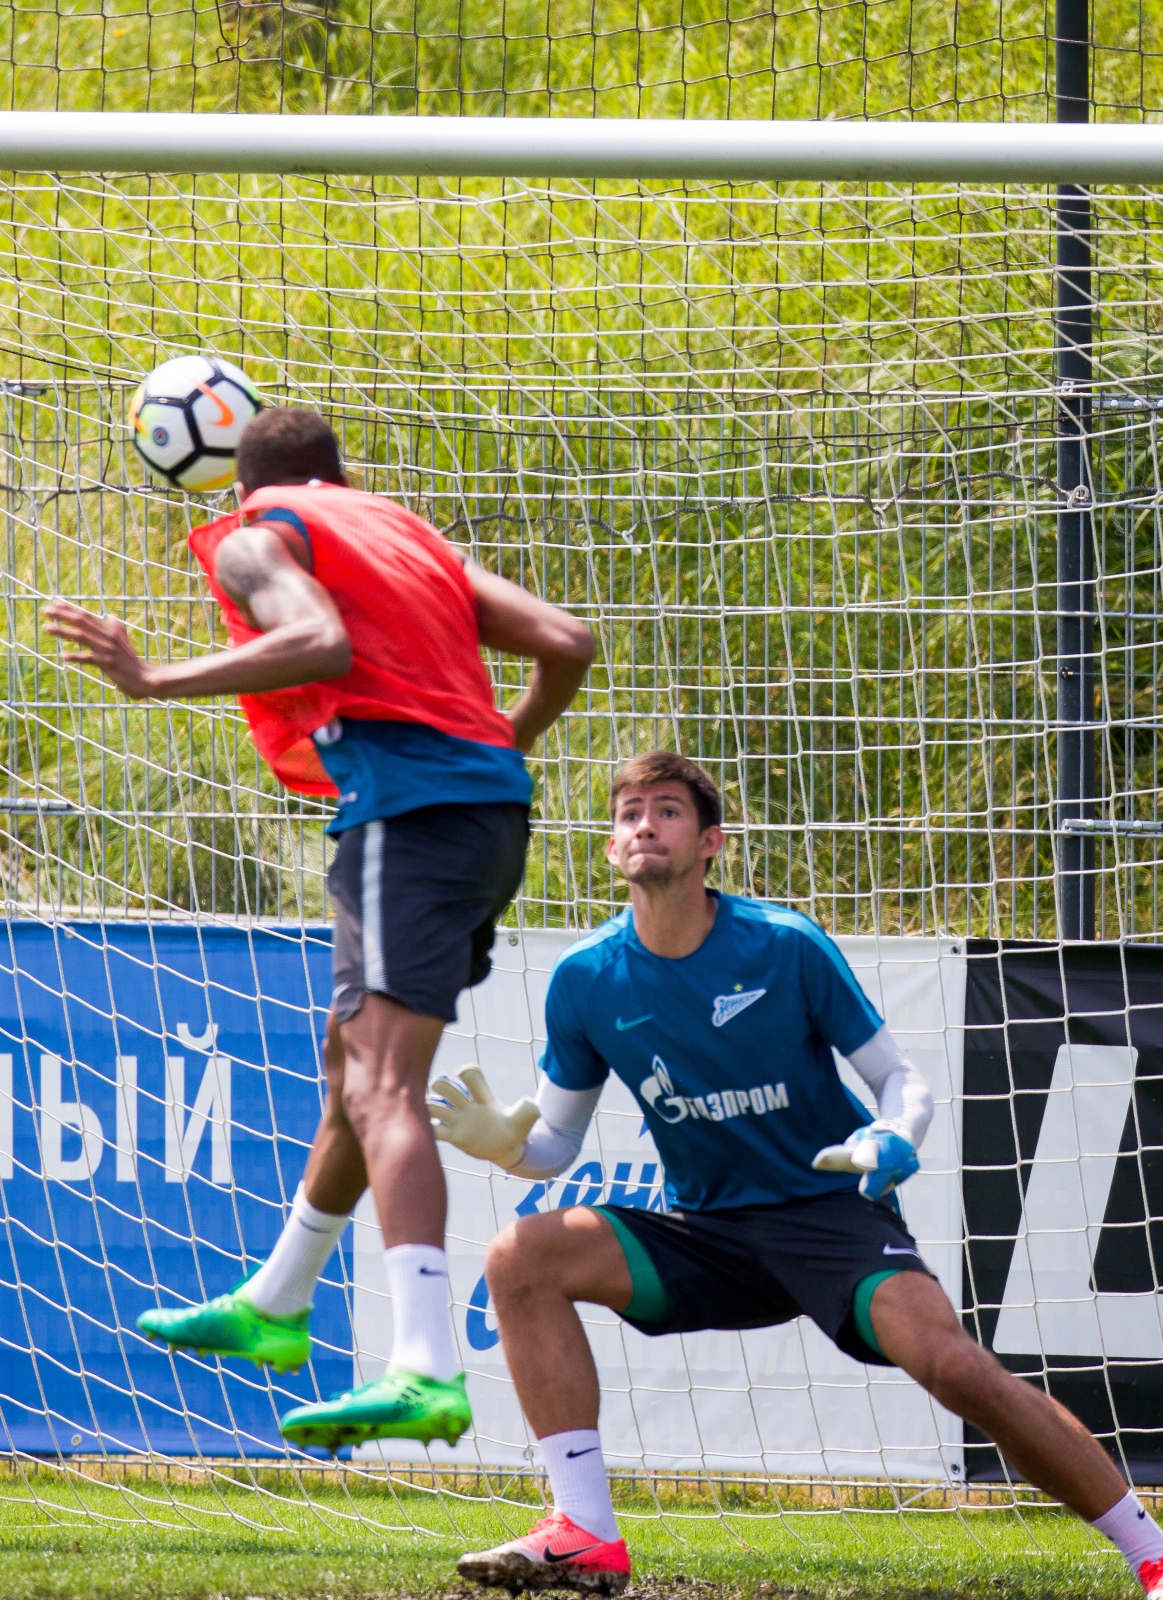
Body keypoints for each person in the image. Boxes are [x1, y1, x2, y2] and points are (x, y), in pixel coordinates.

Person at [428, 749, 1163, 1598]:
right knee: (519, 1256)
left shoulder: (783, 944)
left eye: (665, 810)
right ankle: (584, 1530)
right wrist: (507, 1147)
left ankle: (1149, 1551)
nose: (643, 824)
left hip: (829, 1214)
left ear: (711, 842)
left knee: (954, 1368)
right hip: (706, 1232)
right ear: (609, 847)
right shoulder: (586, 978)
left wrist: (892, 1135)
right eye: (628, 812)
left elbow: (900, 1080)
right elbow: (555, 1139)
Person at [43, 407, 593, 1452]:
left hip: (405, 812)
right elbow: (567, 642)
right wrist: (491, 749)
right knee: (352, 1060)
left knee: (380, 1081)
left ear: (231, 481)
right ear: (335, 475)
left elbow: (317, 640)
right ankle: (279, 1299)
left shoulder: (257, 531)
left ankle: (424, 1366)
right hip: (485, 817)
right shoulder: (405, 535)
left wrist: (152, 677)